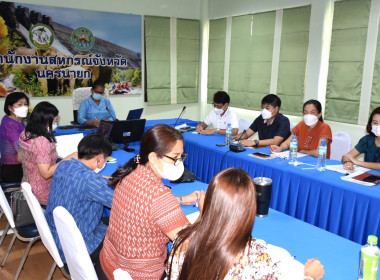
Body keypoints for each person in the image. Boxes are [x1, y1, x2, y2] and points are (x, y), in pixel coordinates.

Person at [166, 168, 325, 280]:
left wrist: (204, 214)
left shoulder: (182, 238)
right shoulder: (255, 257)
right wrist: (309, 276)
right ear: (249, 209)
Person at [97, 124, 205, 280]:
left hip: (108, 263)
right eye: (175, 157)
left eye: (181, 156)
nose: (179, 162)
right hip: (139, 274)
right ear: (153, 157)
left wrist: (181, 200)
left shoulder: (129, 174)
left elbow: (145, 205)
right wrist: (203, 213)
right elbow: (190, 245)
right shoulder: (159, 196)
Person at [45, 134, 113, 268]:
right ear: (100, 157)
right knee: (124, 230)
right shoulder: (90, 182)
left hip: (57, 237)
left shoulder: (64, 166)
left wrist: (108, 179)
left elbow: (89, 179)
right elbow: (120, 201)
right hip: (81, 246)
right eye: (106, 158)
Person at [18, 102, 76, 206]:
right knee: (77, 191)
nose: (55, 124)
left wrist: (47, 153)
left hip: (27, 186)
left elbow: (19, 158)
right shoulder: (41, 141)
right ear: (44, 121)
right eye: (54, 121)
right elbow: (46, 174)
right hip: (43, 193)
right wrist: (69, 158)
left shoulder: (26, 133)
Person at [0, 92, 29, 182]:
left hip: (20, 163)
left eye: (25, 104)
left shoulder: (17, 119)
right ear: (10, 108)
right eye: (19, 104)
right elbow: (18, 145)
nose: (24, 107)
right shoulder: (9, 124)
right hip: (13, 167)